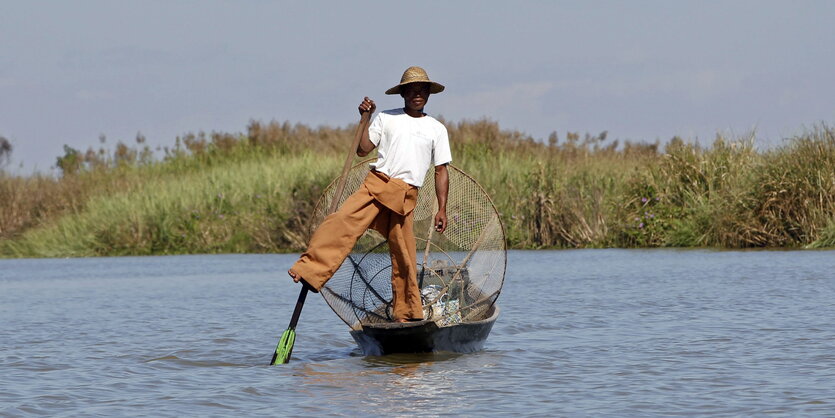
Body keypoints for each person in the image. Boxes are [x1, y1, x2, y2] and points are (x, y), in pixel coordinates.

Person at [288, 66, 451, 322]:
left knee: (404, 257)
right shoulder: (387, 118)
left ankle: (406, 313)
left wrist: (442, 208)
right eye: (412, 90)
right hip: (377, 186)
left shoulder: (436, 129)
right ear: (403, 94)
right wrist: (365, 118)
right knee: (342, 223)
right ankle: (309, 270)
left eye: (422, 90)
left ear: (428, 94)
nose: (417, 94)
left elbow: (441, 171)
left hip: (405, 198)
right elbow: (363, 150)